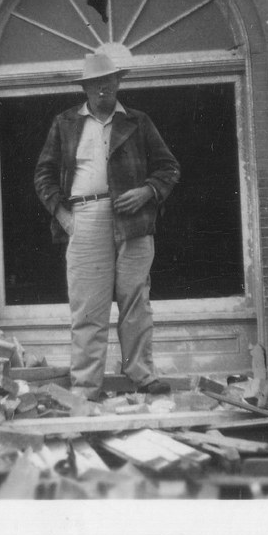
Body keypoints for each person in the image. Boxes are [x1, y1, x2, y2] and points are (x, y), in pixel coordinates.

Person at [34, 51, 180, 400]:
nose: (102, 88)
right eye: (95, 83)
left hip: (133, 222)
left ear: (118, 82)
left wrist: (147, 192)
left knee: (136, 302)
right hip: (84, 218)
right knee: (88, 307)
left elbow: (169, 168)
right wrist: (63, 215)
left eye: (108, 81)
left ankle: (141, 375)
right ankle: (87, 387)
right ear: (85, 87)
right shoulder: (65, 123)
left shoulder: (138, 122)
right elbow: (44, 175)